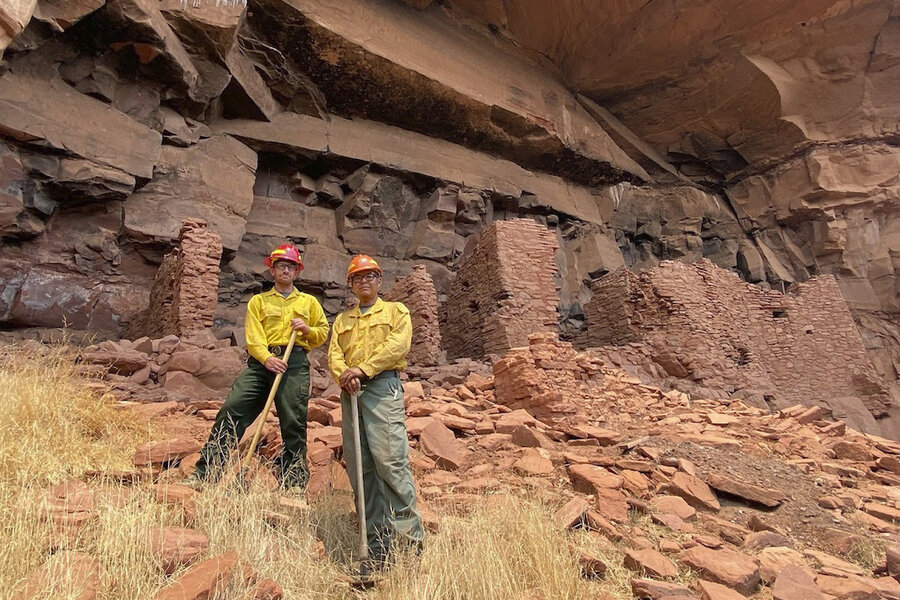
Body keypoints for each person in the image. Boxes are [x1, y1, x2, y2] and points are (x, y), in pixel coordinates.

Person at [189, 244, 328, 489]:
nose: (286, 270)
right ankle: (205, 473)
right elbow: (253, 337)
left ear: (297, 272)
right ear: (272, 270)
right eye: (281, 266)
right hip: (261, 364)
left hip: (293, 361)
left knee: (293, 420)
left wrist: (307, 329)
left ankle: (294, 481)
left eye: (291, 267)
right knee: (233, 410)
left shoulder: (309, 303)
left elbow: (322, 334)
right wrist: (266, 359)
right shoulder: (258, 302)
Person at [328, 254, 425, 570]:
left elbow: (398, 346)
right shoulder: (343, 321)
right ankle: (376, 546)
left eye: (370, 276)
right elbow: (334, 355)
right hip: (351, 391)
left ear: (379, 280)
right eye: (358, 278)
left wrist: (362, 369)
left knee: (390, 463)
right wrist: (345, 374)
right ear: (351, 285)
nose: (364, 282)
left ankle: (409, 545)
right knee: (363, 468)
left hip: (381, 388)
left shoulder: (396, 311)